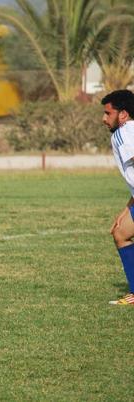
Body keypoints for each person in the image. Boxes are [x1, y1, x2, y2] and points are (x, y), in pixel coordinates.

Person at [102, 89, 134, 305]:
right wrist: (126, 210)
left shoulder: (122, 133)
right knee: (121, 232)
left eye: (108, 113)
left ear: (122, 114)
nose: (103, 119)